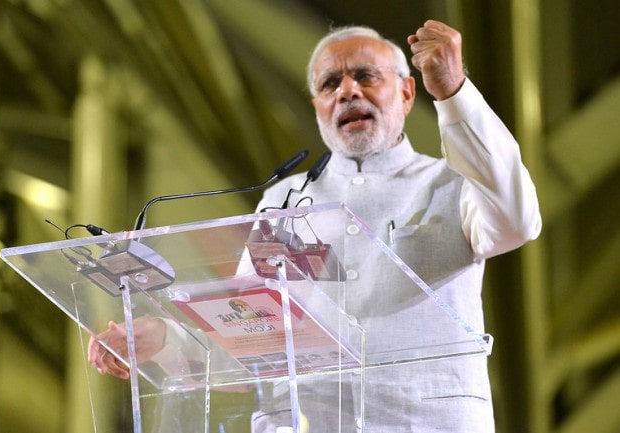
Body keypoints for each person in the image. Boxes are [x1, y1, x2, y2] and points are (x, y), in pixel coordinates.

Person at [89, 19, 541, 432]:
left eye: (366, 76)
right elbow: (251, 342)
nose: (348, 91)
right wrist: (163, 339)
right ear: (318, 106)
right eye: (331, 84)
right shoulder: (283, 201)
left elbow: (518, 221)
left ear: (406, 93)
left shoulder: (455, 183)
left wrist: (454, 92)